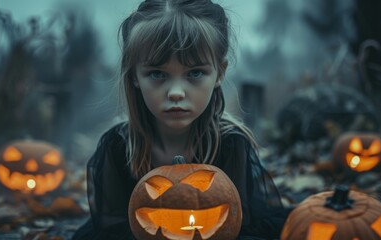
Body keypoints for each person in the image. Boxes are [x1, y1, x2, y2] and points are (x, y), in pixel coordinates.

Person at [73, 0, 287, 239]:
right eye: (157, 74)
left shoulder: (231, 144)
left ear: (220, 73)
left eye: (195, 73)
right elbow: (112, 229)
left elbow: (236, 225)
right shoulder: (117, 147)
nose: (176, 92)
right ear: (134, 75)